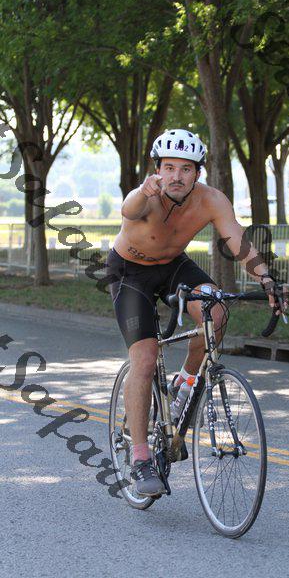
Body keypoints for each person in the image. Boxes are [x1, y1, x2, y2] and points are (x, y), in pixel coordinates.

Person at [107, 128, 278, 496]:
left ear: (198, 173)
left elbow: (238, 240)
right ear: (157, 169)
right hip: (129, 273)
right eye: (169, 168)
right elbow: (129, 209)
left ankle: (184, 384)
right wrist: (143, 191)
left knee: (216, 313)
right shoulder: (146, 195)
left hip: (173, 265)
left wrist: (265, 277)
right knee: (145, 358)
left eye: (186, 169)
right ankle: (140, 458)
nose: (176, 176)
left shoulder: (211, 199)